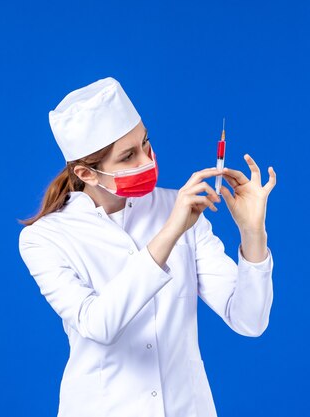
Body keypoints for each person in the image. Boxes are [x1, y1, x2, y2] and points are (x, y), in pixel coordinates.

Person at [18, 77, 277, 417]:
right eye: (128, 156)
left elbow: (249, 319)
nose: (147, 159)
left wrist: (252, 232)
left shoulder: (180, 206)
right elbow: (99, 325)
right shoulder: (46, 237)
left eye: (145, 143)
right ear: (87, 173)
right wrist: (170, 232)